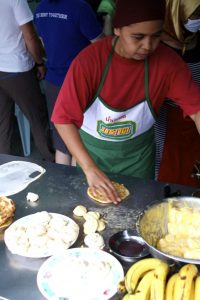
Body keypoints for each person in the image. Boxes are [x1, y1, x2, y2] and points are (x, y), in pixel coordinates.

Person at [51, 0, 200, 204]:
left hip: (138, 162)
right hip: (94, 158)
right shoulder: (89, 62)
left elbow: (197, 109)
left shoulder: (168, 63)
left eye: (156, 36)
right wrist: (89, 168)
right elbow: (62, 118)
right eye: (138, 37)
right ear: (118, 29)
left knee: (137, 212)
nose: (148, 46)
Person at [34, 0, 103, 165]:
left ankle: (61, 188)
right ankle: (77, 188)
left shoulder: (40, 9)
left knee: (61, 139)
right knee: (79, 139)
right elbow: (101, 45)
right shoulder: (80, 7)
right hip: (79, 82)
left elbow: (43, 42)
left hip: (53, 81)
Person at [0, 0, 54, 162]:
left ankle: (4, 169)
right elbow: (30, 36)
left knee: (3, 123)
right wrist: (39, 62)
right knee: (38, 118)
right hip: (16, 68)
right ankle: (52, 163)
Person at [156, 0, 200, 187]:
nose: (198, 19)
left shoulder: (196, 38)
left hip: (196, 123)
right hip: (169, 126)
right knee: (170, 180)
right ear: (177, 12)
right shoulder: (157, 46)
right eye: (195, 14)